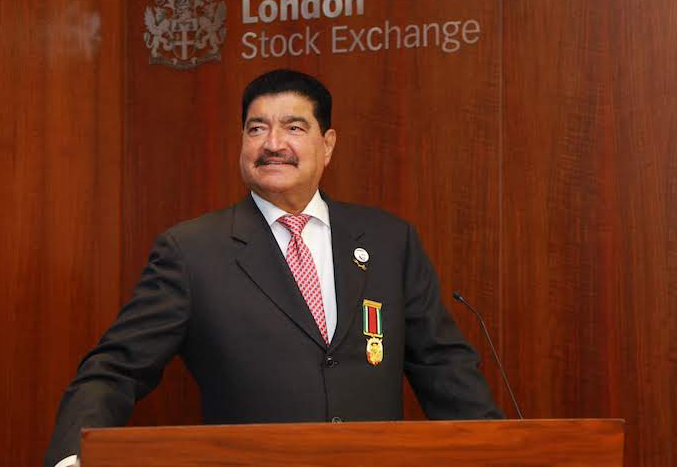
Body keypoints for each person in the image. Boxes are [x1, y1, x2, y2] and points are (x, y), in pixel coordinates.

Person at [45, 69, 503, 467]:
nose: (273, 144)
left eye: (294, 127)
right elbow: (117, 368)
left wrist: (502, 450)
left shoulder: (389, 241)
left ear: (327, 145)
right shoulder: (192, 251)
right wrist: (73, 454)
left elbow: (444, 367)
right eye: (256, 129)